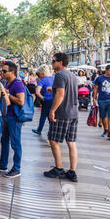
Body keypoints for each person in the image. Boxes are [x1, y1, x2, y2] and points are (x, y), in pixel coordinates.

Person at [44, 52, 79, 182]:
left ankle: (58, 168)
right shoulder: (72, 76)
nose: (52, 64)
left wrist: (52, 110)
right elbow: (64, 91)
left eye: (53, 61)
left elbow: (61, 94)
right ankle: (72, 171)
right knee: (71, 142)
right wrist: (51, 90)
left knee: (53, 140)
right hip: (73, 113)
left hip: (62, 113)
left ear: (60, 62)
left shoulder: (59, 75)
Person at [0, 61, 25, 179]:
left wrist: (8, 95)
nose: (2, 73)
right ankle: (3, 164)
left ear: (12, 72)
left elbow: (21, 101)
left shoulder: (18, 84)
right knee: (4, 141)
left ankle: (16, 168)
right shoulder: (7, 83)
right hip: (6, 116)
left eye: (4, 71)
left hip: (14, 117)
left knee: (15, 143)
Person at [93, 65, 110, 140]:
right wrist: (94, 99)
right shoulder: (99, 78)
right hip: (101, 100)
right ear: (106, 70)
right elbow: (96, 88)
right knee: (103, 116)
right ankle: (106, 130)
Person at [32, 65, 54, 136]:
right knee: (51, 116)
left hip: (47, 100)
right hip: (54, 100)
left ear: (42, 73)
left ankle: (40, 130)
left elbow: (37, 92)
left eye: (39, 74)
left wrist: (42, 98)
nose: (38, 76)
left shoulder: (42, 80)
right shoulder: (54, 78)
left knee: (43, 116)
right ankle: (52, 132)